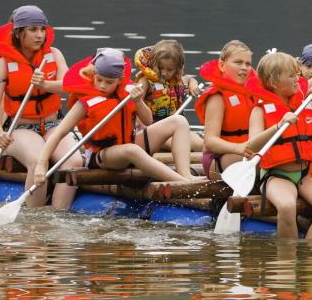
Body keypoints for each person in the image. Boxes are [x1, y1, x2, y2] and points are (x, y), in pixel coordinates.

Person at [33, 49, 196, 192]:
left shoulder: (128, 91)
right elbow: (59, 133)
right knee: (132, 150)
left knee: (178, 121)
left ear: (119, 80)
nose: (103, 86)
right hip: (102, 156)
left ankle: (186, 174)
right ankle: (183, 183)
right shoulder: (84, 103)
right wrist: (41, 164)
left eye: (109, 82)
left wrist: (138, 101)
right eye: (99, 80)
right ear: (93, 75)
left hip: (130, 145)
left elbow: (147, 121)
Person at [242, 50, 312, 240]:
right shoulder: (259, 110)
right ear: (273, 82)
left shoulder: (304, 104)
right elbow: (250, 147)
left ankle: (308, 251)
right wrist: (278, 125)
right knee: (287, 207)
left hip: (306, 173)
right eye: (291, 76)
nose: (298, 79)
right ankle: (288, 257)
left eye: (297, 74)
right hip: (276, 175)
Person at [0, 5, 70, 210]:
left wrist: (46, 85)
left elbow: (68, 87)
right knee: (38, 160)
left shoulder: (54, 54)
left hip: (53, 125)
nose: (40, 35)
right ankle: (34, 217)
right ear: (18, 33)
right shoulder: (4, 64)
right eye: (33, 30)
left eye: (42, 29)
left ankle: (59, 214)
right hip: (20, 128)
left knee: (73, 161)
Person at [196, 40, 257, 178]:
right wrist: (238, 148)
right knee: (260, 159)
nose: (244, 67)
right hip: (218, 159)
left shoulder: (252, 93)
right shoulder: (217, 97)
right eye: (238, 62)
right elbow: (210, 141)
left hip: (247, 152)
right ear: (222, 66)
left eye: (248, 64)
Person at [135, 39, 203, 146]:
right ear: (152, 63)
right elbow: (134, 108)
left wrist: (193, 85)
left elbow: (189, 79)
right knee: (195, 144)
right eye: (160, 68)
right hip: (151, 132)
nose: (164, 73)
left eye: (169, 69)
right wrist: (142, 130)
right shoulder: (145, 82)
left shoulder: (178, 80)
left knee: (200, 142)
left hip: (173, 129)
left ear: (178, 69)